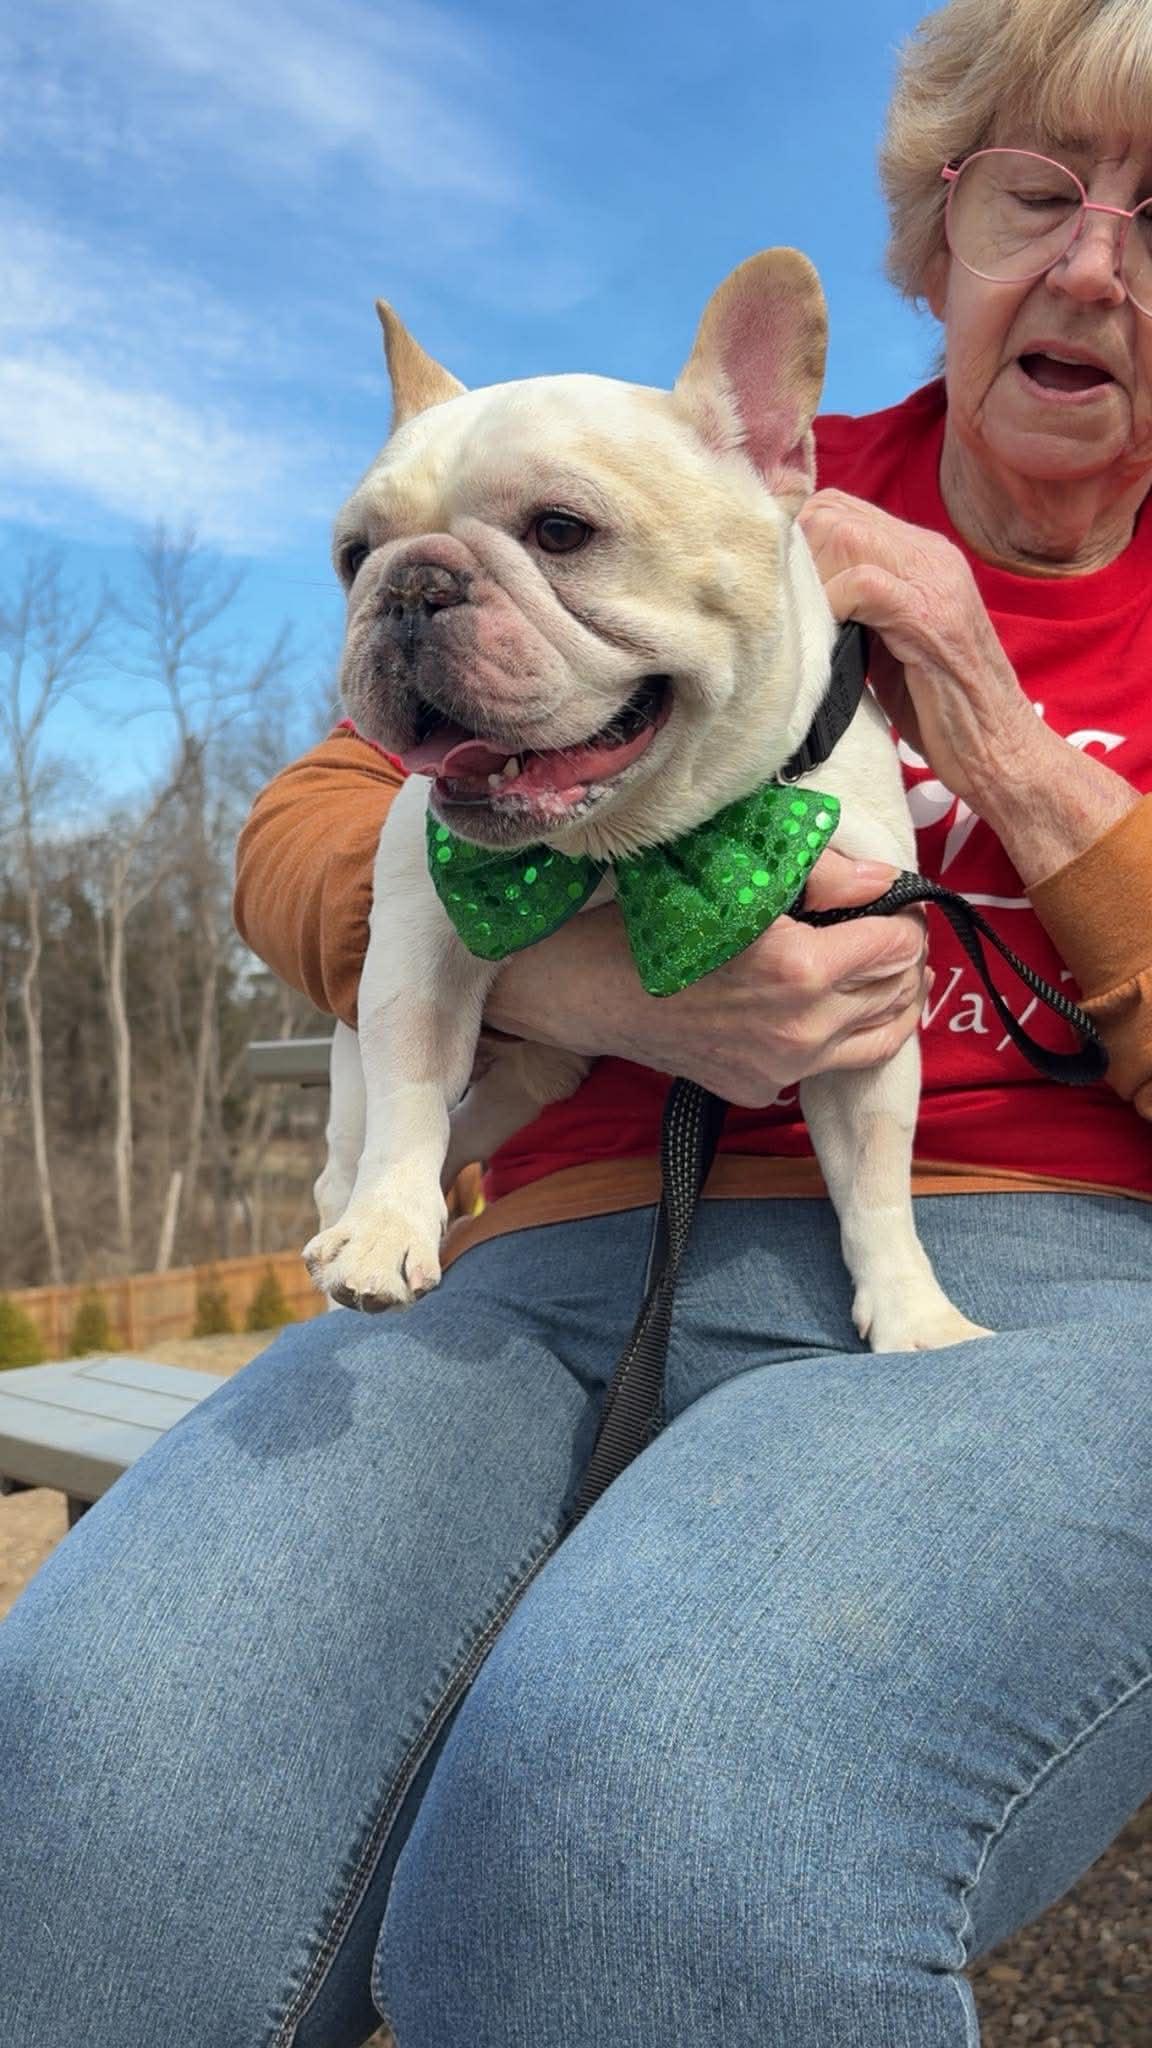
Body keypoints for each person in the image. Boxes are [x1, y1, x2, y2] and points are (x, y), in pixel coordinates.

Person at [2, 0, 1151, 2041]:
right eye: (1037, 195)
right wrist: (590, 988)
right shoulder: (684, 464)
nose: (1091, 264)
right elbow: (311, 829)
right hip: (554, 1243)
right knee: (89, 1772)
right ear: (937, 233)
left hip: (1047, 1275)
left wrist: (993, 726)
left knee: (649, 1826)